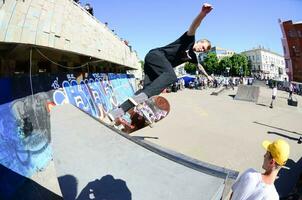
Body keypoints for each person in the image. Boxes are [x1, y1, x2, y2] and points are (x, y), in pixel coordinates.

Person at [108, 2, 214, 121]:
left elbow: (199, 67)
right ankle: (141, 100)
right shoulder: (189, 39)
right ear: (199, 42)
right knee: (171, 76)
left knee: (148, 90)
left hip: (155, 66)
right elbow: (194, 26)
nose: (201, 49)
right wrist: (202, 14)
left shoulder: (193, 57)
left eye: (204, 50)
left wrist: (207, 76)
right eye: (202, 46)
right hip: (155, 56)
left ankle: (118, 112)